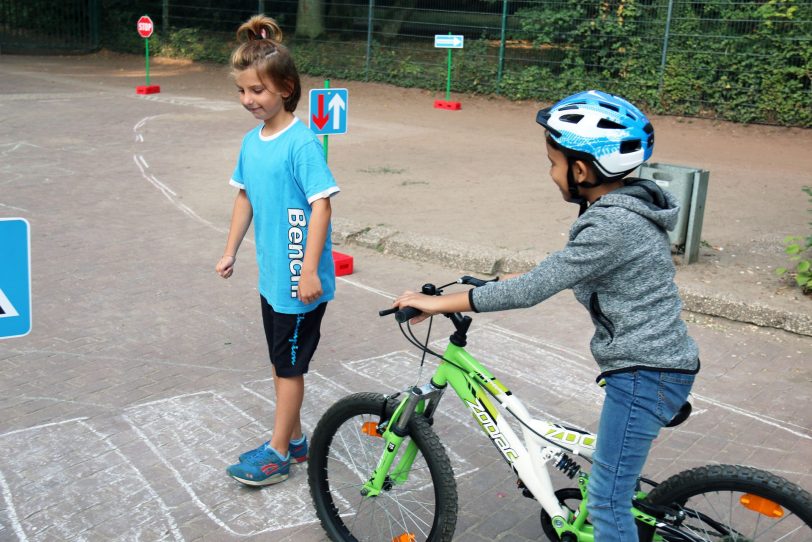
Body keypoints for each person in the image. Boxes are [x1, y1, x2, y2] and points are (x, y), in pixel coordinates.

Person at [393, 90, 700, 541]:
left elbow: (533, 290)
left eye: (553, 162)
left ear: (582, 170)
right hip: (657, 365)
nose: (551, 172)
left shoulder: (611, 224)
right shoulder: (626, 208)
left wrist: (438, 303)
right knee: (612, 474)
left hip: (645, 374)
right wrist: (511, 281)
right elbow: (571, 269)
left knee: (607, 505)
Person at [216, 15, 339, 487]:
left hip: (297, 283)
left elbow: (322, 206)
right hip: (272, 278)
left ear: (286, 88)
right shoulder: (252, 141)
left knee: (289, 368)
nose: (249, 100)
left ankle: (277, 452)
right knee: (280, 362)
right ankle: (296, 437)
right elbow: (244, 195)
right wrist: (231, 250)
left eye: (258, 92)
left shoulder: (301, 142)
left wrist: (309, 270)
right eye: (243, 91)